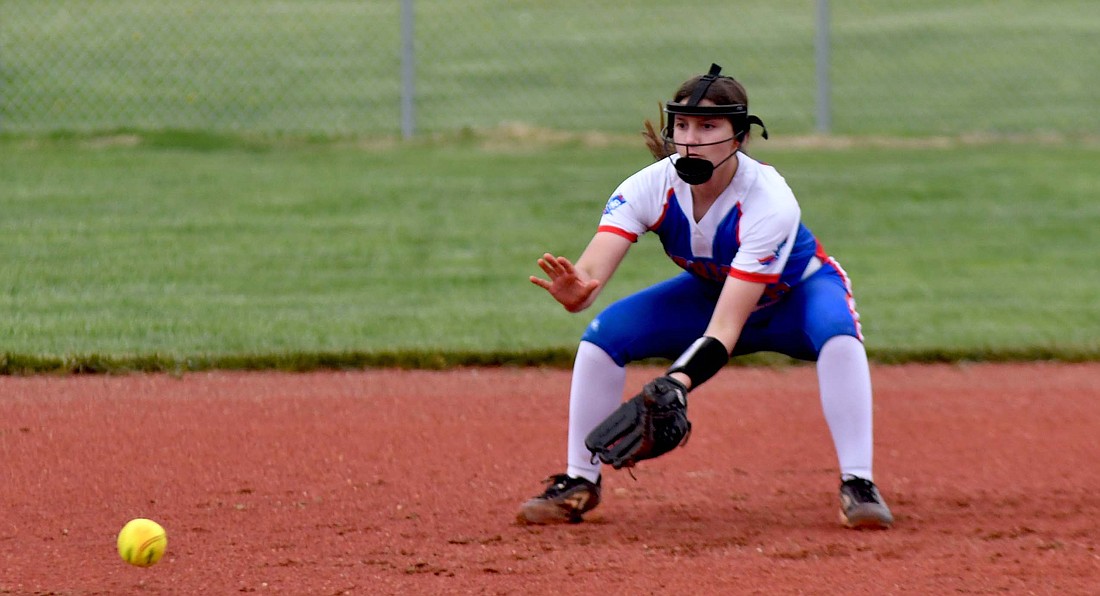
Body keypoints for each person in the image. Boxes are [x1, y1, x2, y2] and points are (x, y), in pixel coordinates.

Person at [517, 64, 893, 530]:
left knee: (839, 336)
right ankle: (579, 480)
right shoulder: (649, 187)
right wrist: (577, 291)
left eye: (709, 126)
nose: (691, 138)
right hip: (714, 294)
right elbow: (591, 271)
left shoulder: (768, 200)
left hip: (796, 298)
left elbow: (725, 329)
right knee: (602, 336)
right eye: (684, 125)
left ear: (739, 136)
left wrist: (676, 382)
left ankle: (859, 483)